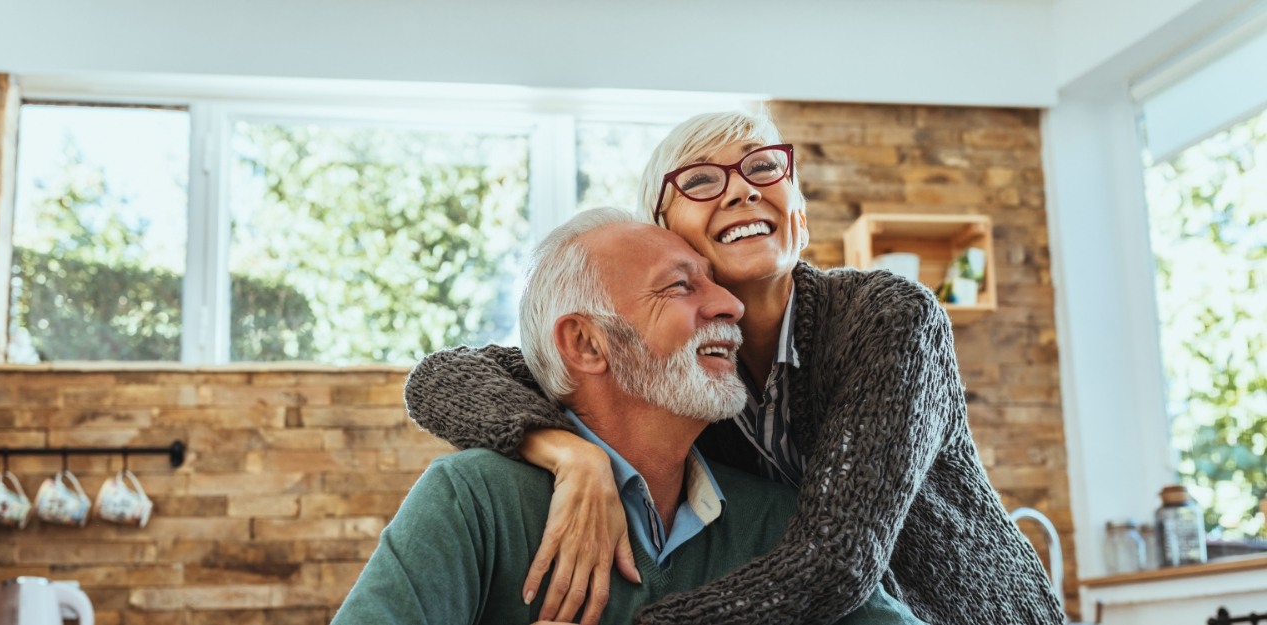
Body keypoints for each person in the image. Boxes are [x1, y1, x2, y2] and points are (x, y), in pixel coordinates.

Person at [403, 112, 1065, 624]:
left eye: (764, 169)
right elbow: (442, 376)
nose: (743, 189)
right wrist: (571, 453)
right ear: (663, 228)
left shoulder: (889, 317)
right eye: (700, 180)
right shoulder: (679, 371)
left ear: (797, 211)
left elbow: (835, 562)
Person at [332, 209, 925, 625]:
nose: (730, 304)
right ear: (588, 345)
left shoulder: (776, 520)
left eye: (713, 283)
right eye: (678, 287)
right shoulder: (474, 501)